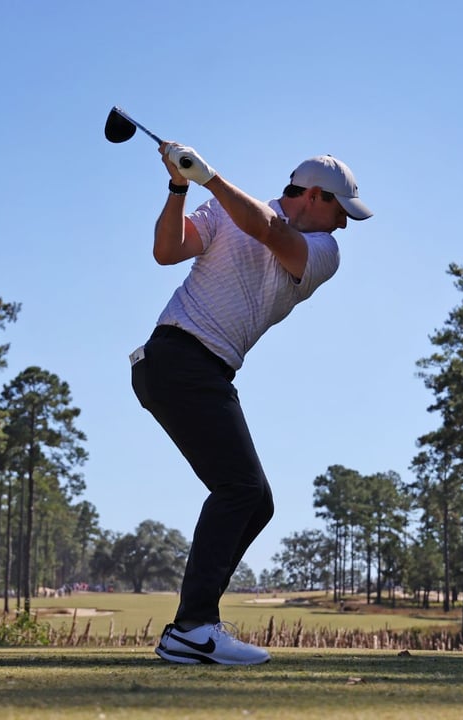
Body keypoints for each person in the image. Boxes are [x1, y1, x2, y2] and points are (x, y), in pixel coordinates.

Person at [130, 139, 372, 665]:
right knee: (240, 488)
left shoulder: (323, 252)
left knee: (253, 499)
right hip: (175, 358)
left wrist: (208, 177)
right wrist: (178, 187)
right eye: (340, 210)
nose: (345, 224)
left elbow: (267, 230)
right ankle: (193, 628)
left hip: (201, 369)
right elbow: (167, 251)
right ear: (313, 194)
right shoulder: (222, 208)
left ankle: (197, 622)